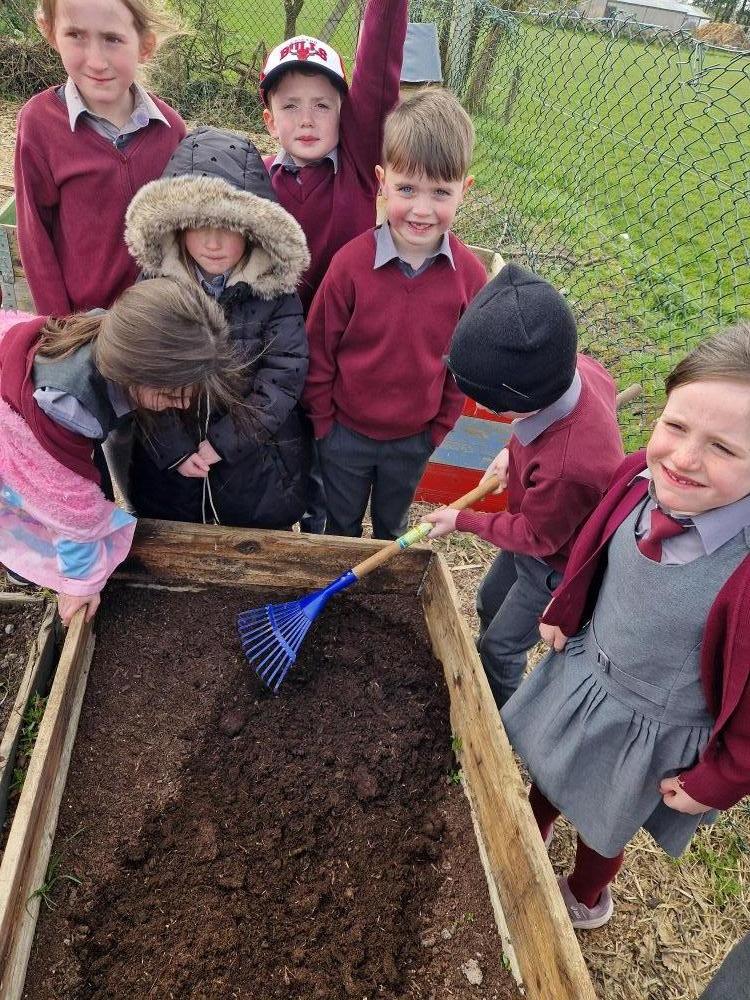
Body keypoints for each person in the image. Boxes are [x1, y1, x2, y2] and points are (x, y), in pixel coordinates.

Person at [500, 323, 750, 930]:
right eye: (676, 426)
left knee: (605, 819)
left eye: (724, 448)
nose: (684, 459)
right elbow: (593, 546)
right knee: (550, 763)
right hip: (589, 671)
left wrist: (720, 778)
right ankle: (530, 831)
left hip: (654, 722)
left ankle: (586, 895)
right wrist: (565, 609)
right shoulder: (638, 476)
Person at [424, 264, 624, 707]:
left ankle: (498, 716)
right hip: (538, 529)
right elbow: (538, 435)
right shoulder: (578, 369)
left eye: (494, 406)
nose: (484, 410)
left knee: (502, 647)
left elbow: (536, 536)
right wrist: (512, 451)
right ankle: (481, 667)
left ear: (523, 401)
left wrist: (463, 520)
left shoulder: (569, 468)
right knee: (487, 601)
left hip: (555, 560)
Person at [0, 279, 245, 625]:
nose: (182, 404)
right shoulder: (66, 404)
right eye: (171, 395)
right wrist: (80, 583)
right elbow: (65, 503)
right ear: (132, 371)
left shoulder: (119, 335)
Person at [302, 88, 487, 541]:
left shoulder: (469, 277)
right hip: (344, 434)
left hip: (412, 440)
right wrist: (323, 423)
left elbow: (465, 367)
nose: (422, 210)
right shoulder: (350, 265)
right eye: (407, 189)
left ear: (464, 191)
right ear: (382, 182)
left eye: (440, 192)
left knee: (393, 528)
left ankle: (384, 579)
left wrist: (438, 429)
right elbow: (319, 348)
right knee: (341, 527)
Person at [259, 0, 408, 533]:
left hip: (339, 360)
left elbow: (379, 71)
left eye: (323, 104)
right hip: (273, 355)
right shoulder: (257, 181)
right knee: (278, 462)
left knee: (326, 475)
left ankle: (324, 535)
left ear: (346, 113)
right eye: (291, 105)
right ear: (269, 118)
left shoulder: (359, 169)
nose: (307, 118)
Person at [124, 127, 311, 530]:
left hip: (255, 469)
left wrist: (226, 442)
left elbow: (283, 377)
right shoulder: (155, 288)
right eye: (199, 225)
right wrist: (174, 449)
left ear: (253, 230)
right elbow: (139, 374)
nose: (213, 243)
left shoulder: (274, 294)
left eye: (229, 227)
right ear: (176, 225)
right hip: (171, 474)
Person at [14, 0, 186, 316]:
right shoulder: (39, 124)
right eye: (75, 35)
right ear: (51, 34)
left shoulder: (171, 130)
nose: (96, 62)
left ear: (145, 46)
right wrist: (59, 329)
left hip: (154, 325)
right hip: (81, 325)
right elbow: (35, 237)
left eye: (112, 39)